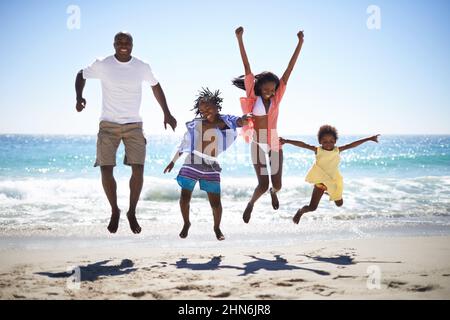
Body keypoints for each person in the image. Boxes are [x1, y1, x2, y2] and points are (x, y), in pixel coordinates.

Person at [74, 31, 177, 234]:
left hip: (134, 125)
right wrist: (79, 97)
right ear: (113, 44)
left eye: (127, 42)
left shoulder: (141, 66)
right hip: (108, 125)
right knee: (106, 169)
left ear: (132, 45)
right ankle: (115, 210)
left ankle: (132, 212)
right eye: (119, 42)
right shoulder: (103, 64)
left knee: (138, 170)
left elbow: (156, 86)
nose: (123, 45)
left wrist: (167, 112)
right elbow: (81, 74)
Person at [232, 26, 304, 223]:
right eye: (266, 88)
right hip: (256, 142)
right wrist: (239, 39)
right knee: (262, 185)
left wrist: (300, 44)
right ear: (259, 87)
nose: (270, 92)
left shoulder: (276, 99)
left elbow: (289, 70)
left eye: (273, 89)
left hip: (273, 141)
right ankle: (251, 204)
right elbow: (247, 67)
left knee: (277, 185)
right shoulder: (252, 97)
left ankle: (274, 192)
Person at [163, 88, 250, 241]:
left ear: (217, 106)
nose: (205, 112)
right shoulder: (197, 124)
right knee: (184, 198)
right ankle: (186, 223)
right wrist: (173, 161)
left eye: (208, 108)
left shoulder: (226, 121)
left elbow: (239, 121)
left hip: (211, 165)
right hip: (192, 162)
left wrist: (246, 118)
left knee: (215, 203)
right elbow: (184, 143)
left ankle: (217, 227)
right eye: (202, 110)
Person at [279, 125, 380, 224]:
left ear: (335, 141)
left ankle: (328, 192)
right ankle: (300, 211)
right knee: (312, 207)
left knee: (339, 204)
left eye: (331, 141)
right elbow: (303, 145)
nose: (328, 144)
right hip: (321, 181)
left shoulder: (337, 150)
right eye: (325, 141)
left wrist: (369, 139)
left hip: (333, 181)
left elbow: (352, 145)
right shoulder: (318, 150)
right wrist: (287, 141)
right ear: (320, 142)